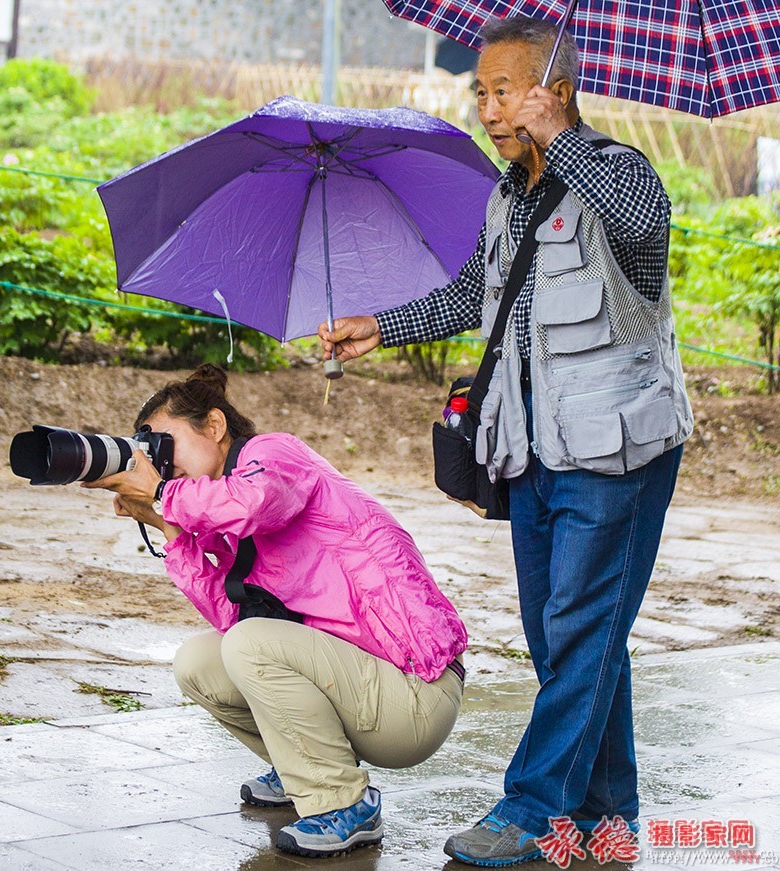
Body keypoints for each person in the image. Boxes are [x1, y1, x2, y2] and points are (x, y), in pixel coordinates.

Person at [319, 16, 693, 868]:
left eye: (502, 89)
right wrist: (384, 325)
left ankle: (530, 808)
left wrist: (559, 137)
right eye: (478, 91)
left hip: (617, 454)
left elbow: (641, 223)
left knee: (581, 627)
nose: (485, 107)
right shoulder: (508, 196)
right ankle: (607, 814)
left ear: (554, 90)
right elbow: (475, 298)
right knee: (568, 635)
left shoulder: (619, 174)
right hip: (532, 449)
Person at [84, 363, 467, 860]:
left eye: (163, 443)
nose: (159, 462)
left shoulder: (273, 455)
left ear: (215, 426)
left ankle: (344, 804)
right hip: (360, 686)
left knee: (251, 645)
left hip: (416, 693)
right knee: (200, 662)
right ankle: (303, 771)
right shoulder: (219, 512)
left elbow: (253, 503)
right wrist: (166, 525)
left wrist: (161, 492)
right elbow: (232, 618)